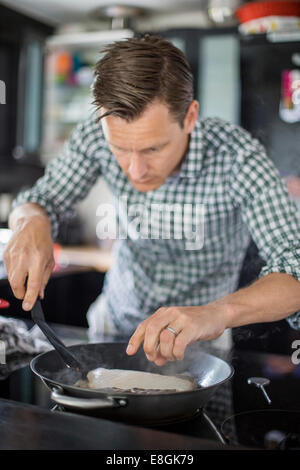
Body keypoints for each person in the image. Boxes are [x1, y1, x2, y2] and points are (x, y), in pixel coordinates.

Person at [4, 35, 300, 367]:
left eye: (153, 149)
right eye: (120, 149)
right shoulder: (96, 132)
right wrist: (31, 221)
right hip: (111, 331)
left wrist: (216, 313)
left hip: (199, 349)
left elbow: (295, 270)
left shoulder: (236, 157)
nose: (136, 170)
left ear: (189, 117)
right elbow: (43, 199)